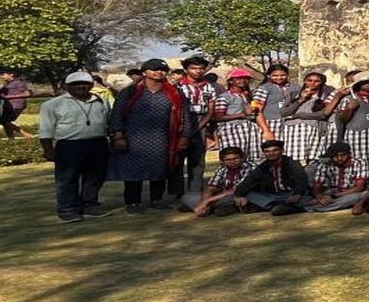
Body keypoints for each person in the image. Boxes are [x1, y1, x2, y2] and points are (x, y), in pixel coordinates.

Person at [107, 59, 189, 214]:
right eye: (154, 69)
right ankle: (133, 202)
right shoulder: (130, 91)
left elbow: (185, 115)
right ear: (144, 72)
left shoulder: (174, 92)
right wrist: (118, 136)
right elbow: (117, 114)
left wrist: (185, 136)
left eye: (163, 70)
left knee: (159, 170)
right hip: (133, 137)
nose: (159, 72)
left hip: (162, 137)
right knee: (132, 172)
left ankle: (156, 200)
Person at [39, 72, 114, 223]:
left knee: (95, 177)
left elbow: (108, 122)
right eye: (75, 84)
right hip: (69, 145)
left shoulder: (100, 101)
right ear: (67, 86)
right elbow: (46, 129)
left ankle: (89, 205)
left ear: (92, 85)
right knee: (67, 179)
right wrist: (48, 150)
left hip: (97, 143)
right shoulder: (53, 104)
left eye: (85, 83)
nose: (81, 86)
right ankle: (68, 210)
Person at [172, 57, 217, 199]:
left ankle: (195, 190)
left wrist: (197, 128)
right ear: (186, 69)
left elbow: (210, 111)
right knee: (178, 159)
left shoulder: (209, 86)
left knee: (198, 159)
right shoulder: (177, 87)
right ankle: (177, 192)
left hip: (201, 121)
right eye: (194, 68)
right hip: (181, 121)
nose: (198, 71)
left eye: (201, 68)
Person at [234, 140, 310, 216]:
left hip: (290, 193)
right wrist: (239, 195)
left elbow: (301, 179)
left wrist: (297, 193)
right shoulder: (263, 166)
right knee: (250, 195)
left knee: (304, 199)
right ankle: (277, 206)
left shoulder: (291, 164)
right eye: (267, 151)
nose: (271, 153)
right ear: (263, 153)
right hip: (272, 196)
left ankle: (276, 207)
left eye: (275, 150)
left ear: (282, 150)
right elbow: (248, 182)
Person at [211, 69, 263, 164]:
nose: (243, 81)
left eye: (246, 79)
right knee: (234, 156)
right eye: (239, 79)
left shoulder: (247, 95)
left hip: (249, 128)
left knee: (253, 156)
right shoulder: (224, 97)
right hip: (231, 128)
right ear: (231, 81)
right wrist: (242, 114)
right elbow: (218, 117)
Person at [184, 147, 249, 217]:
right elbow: (210, 187)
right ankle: (208, 208)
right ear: (222, 161)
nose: (232, 162)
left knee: (231, 199)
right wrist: (203, 203)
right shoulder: (222, 169)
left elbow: (236, 190)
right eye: (228, 160)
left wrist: (207, 201)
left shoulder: (248, 168)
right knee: (187, 197)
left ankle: (211, 207)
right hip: (220, 196)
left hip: (239, 195)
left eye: (235, 159)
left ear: (242, 158)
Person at [303, 142, 367, 213]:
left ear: (349, 154)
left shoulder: (359, 163)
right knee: (305, 199)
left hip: (351, 192)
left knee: (354, 198)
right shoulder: (325, 164)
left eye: (343, 155)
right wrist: (319, 196)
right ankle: (317, 204)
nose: (340, 158)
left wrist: (334, 196)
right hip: (332, 191)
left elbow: (359, 187)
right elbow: (316, 186)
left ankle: (311, 208)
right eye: (336, 156)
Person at [0, 69, 31, 140]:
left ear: (11, 74)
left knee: (5, 122)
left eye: (3, 74)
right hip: (8, 105)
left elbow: (27, 93)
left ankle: (25, 134)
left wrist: (10, 97)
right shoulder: (7, 84)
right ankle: (11, 138)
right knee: (4, 122)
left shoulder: (18, 83)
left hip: (16, 105)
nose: (2, 76)